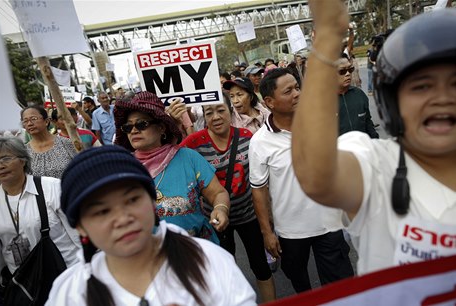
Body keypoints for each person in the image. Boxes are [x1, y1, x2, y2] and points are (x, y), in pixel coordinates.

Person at [292, 1, 456, 275]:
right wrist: (329, 37)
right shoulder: (376, 163)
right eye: (422, 86)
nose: (441, 99)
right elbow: (315, 173)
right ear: (390, 103)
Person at [46, 145, 256, 306]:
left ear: (152, 201)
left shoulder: (208, 261)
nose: (123, 218)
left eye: (132, 200)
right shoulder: (70, 294)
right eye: (102, 211)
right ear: (80, 226)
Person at [249, 68, 354, 293]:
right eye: (288, 91)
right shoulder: (260, 142)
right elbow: (258, 189)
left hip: (330, 222)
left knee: (341, 285)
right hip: (291, 231)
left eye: (297, 87)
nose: (297, 94)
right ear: (269, 102)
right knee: (299, 281)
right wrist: (267, 232)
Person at [180, 97, 276, 302]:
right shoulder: (194, 143)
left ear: (230, 110)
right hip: (214, 220)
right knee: (225, 270)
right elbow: (173, 157)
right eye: (209, 113)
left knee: (260, 265)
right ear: (203, 117)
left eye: (220, 110)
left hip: (249, 214)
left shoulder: (246, 137)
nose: (215, 117)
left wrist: (268, 219)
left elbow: (261, 179)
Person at [114, 91, 230, 244]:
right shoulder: (122, 168)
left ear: (161, 128)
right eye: (128, 127)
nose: (134, 130)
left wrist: (221, 209)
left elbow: (218, 193)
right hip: (149, 259)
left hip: (198, 252)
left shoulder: (188, 157)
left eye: (142, 124)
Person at [0, 137, 80, 302]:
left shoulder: (52, 188)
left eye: (6, 158)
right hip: (24, 286)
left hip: (65, 277)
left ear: (23, 160)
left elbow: (78, 233)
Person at [21, 105, 77, 179]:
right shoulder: (23, 152)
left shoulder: (66, 143)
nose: (29, 124)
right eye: (25, 121)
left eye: (33, 119)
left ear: (46, 121)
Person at [337, 55, 379, 138]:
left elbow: (368, 122)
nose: (348, 74)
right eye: (342, 71)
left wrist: (376, 142)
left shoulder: (359, 94)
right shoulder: (323, 102)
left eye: (350, 69)